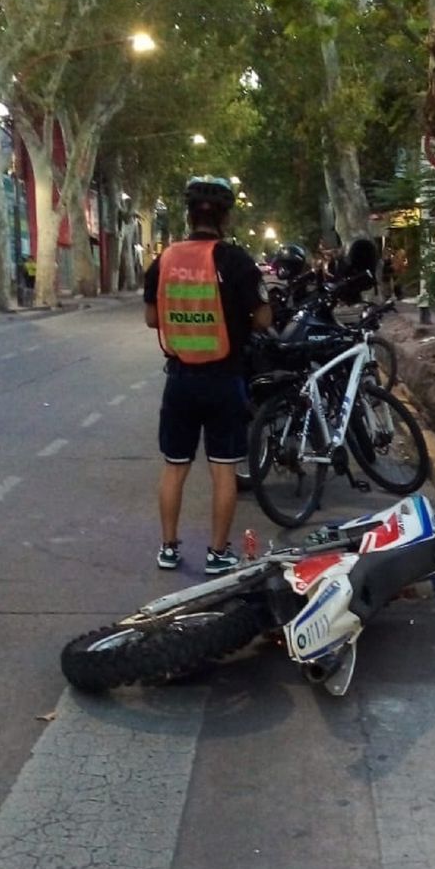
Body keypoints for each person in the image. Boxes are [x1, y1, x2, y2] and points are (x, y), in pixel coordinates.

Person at [144, 176, 272, 574]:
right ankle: (218, 554)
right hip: (224, 379)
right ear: (226, 217)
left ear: (188, 215)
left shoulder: (164, 260)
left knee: (174, 465)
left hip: (180, 379)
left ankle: (168, 548)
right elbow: (264, 319)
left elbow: (152, 318)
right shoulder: (236, 261)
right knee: (223, 470)